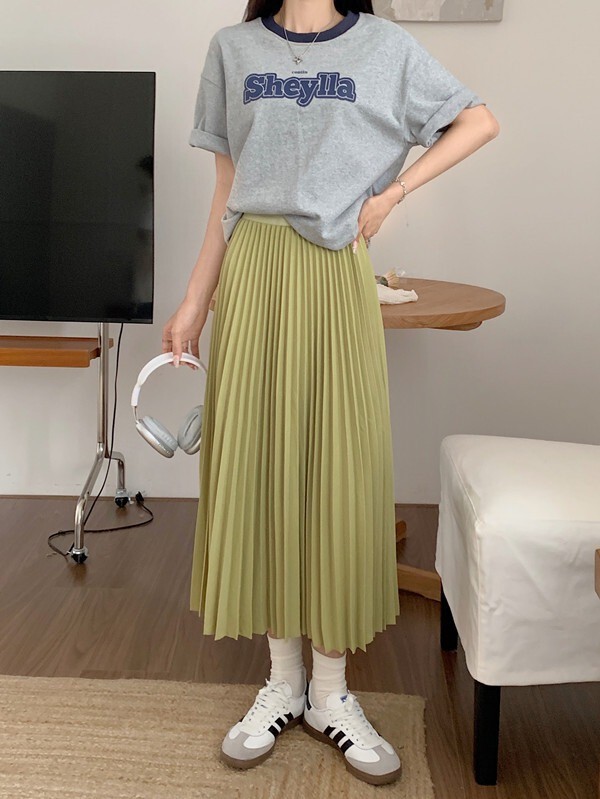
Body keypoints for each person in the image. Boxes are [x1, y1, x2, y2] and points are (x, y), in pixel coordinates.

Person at [163, 0, 499, 786]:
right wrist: (195, 300)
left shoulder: (385, 46)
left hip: (335, 272)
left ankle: (332, 692)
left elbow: (477, 120)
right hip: (252, 272)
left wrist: (391, 194)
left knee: (338, 473)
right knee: (265, 469)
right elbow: (226, 190)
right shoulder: (233, 48)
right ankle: (282, 683)